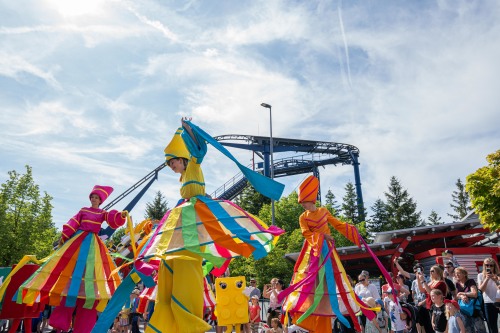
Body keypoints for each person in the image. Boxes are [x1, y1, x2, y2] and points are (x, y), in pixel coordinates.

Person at [135, 119, 285, 333]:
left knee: (190, 259)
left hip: (194, 218)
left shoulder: (193, 165)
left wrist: (187, 129)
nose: (172, 167)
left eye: (173, 163)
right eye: (169, 164)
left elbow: (198, 150)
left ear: (182, 158)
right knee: (169, 263)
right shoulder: (183, 180)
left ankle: (190, 323)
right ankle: (165, 322)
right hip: (184, 216)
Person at [279, 175, 386, 333]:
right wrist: (322, 237)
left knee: (331, 282)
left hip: (328, 252)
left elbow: (337, 223)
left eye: (304, 202)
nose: (303, 206)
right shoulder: (303, 217)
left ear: (311, 200)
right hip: (313, 252)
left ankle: (326, 320)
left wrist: (353, 232)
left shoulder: (323, 211)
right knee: (309, 283)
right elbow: (306, 234)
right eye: (302, 203)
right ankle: (306, 319)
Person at [16, 185, 127, 333]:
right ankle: (61, 322)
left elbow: (112, 219)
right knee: (71, 278)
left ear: (100, 201)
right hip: (78, 242)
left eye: (96, 198)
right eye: (92, 197)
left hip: (94, 245)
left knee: (91, 279)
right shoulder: (83, 210)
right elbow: (72, 223)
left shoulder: (103, 213)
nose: (94, 199)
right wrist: (65, 239)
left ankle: (83, 327)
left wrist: (121, 216)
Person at [454, 266, 487, 333]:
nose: (456, 275)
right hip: (464, 310)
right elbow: (456, 296)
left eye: (459, 273)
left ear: (464, 274)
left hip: (474, 309)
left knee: (480, 330)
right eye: (456, 273)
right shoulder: (457, 284)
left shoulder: (470, 281)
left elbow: (474, 294)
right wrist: (462, 296)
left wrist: (463, 293)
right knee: (468, 330)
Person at [476, 258, 499, 333]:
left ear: (494, 266)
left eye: (491, 265)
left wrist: (496, 280)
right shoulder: (480, 275)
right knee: (492, 326)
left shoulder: (498, 275)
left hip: (498, 301)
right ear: (484, 266)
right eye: (486, 265)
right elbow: (481, 290)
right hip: (488, 302)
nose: (489, 267)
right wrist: (486, 279)